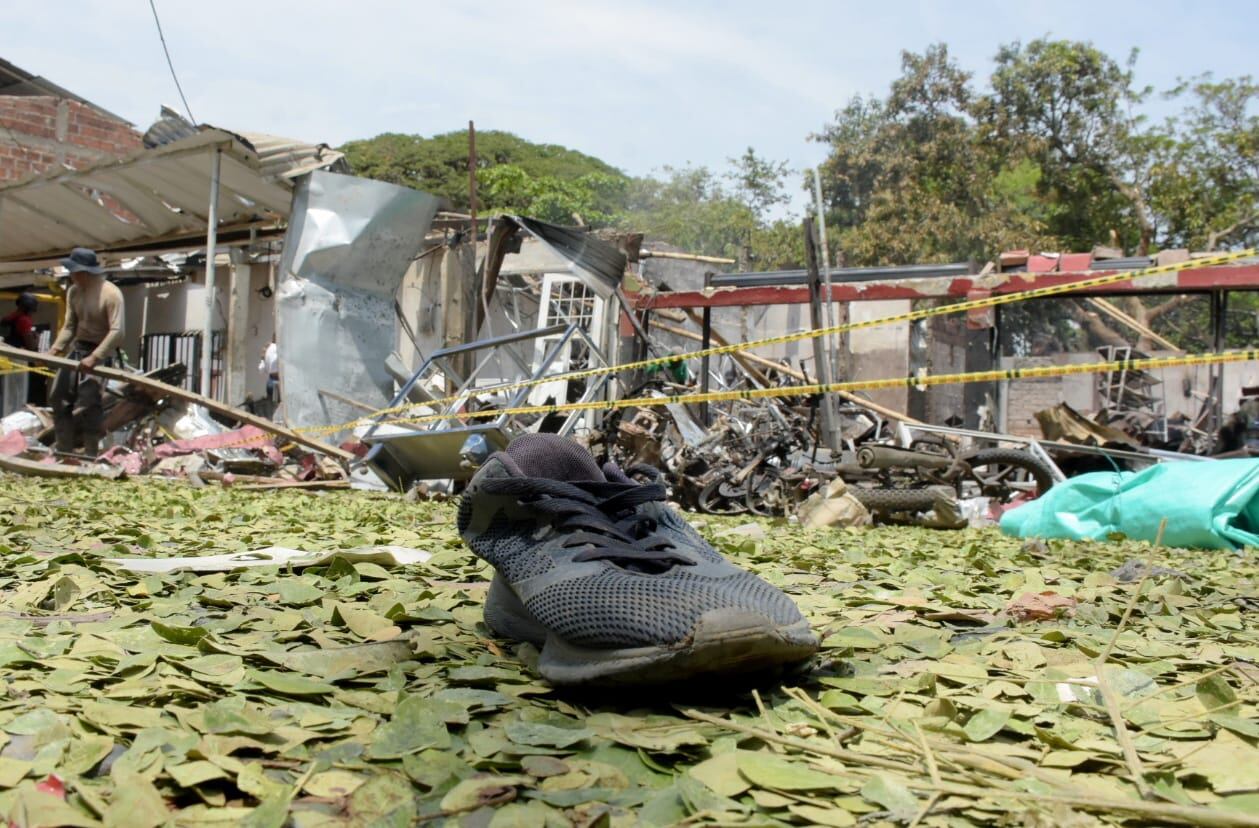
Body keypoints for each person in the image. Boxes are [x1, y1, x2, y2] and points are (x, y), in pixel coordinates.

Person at [48, 248, 124, 457]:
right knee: (58, 396)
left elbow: (117, 332)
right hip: (78, 348)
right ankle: (64, 449)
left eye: (74, 271)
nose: (71, 274)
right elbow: (70, 326)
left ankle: (90, 452)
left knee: (89, 401)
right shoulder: (73, 291)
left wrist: (95, 357)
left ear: (85, 272)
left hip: (101, 352)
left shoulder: (111, 294)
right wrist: (56, 348)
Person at [1, 293, 39, 417]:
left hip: (5, 359)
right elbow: (31, 345)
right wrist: (36, 338)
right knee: (18, 393)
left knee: (6, 392)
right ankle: (15, 418)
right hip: (18, 360)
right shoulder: (24, 320)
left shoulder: (8, 318)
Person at [258, 338, 280, 404]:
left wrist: (263, 359)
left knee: (273, 407)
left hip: (270, 382)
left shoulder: (267, 349)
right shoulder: (278, 348)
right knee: (280, 408)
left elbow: (261, 370)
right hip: (278, 383)